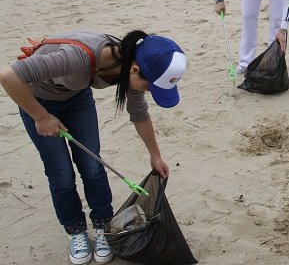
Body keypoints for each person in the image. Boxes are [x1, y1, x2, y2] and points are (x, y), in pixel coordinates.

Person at [0, 30, 186, 265]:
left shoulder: (131, 65)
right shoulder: (76, 57)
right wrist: (41, 117)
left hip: (77, 98)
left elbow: (139, 114)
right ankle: (76, 231)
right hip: (37, 101)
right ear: (135, 70)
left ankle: (102, 225)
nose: (148, 92)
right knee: (61, 173)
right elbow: (8, 76)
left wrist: (155, 156)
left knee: (92, 166)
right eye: (151, 87)